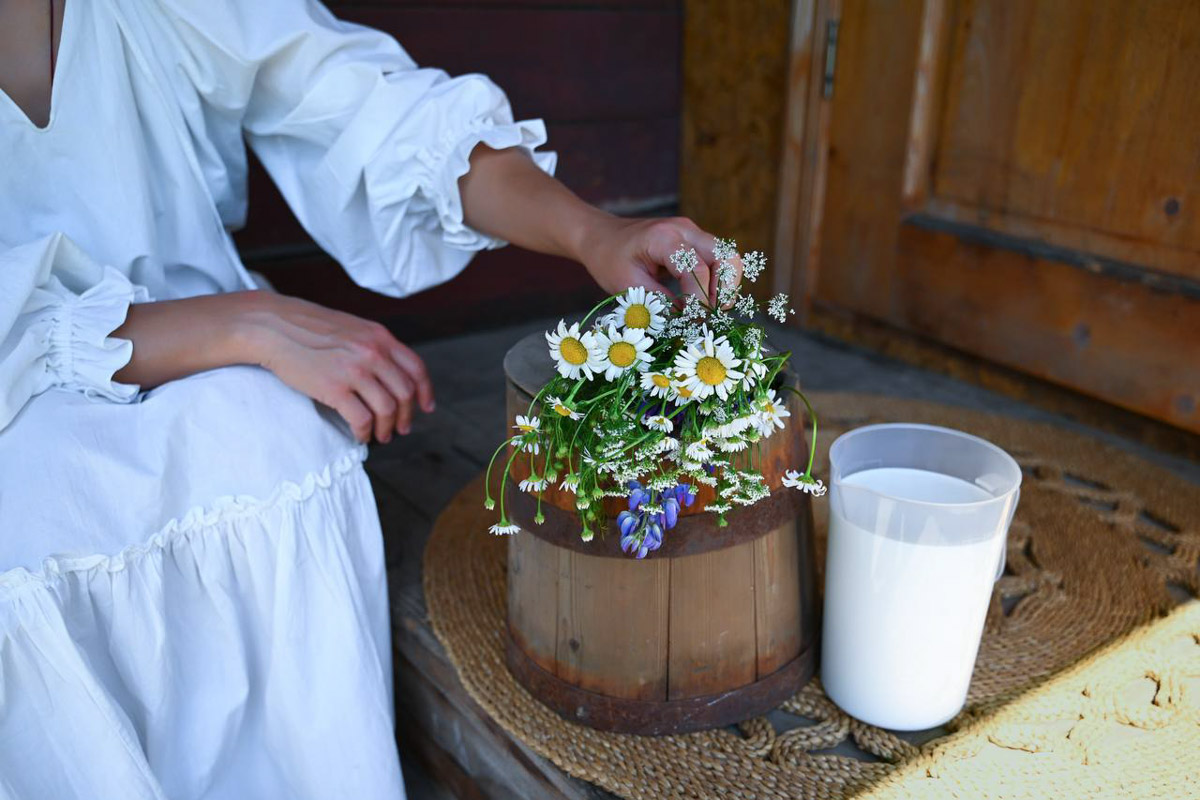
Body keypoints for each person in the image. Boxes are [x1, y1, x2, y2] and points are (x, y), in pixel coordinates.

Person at [0, 1, 735, 798]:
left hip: (218, 370)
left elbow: (374, 111)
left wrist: (594, 234)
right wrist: (245, 321)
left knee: (269, 439)